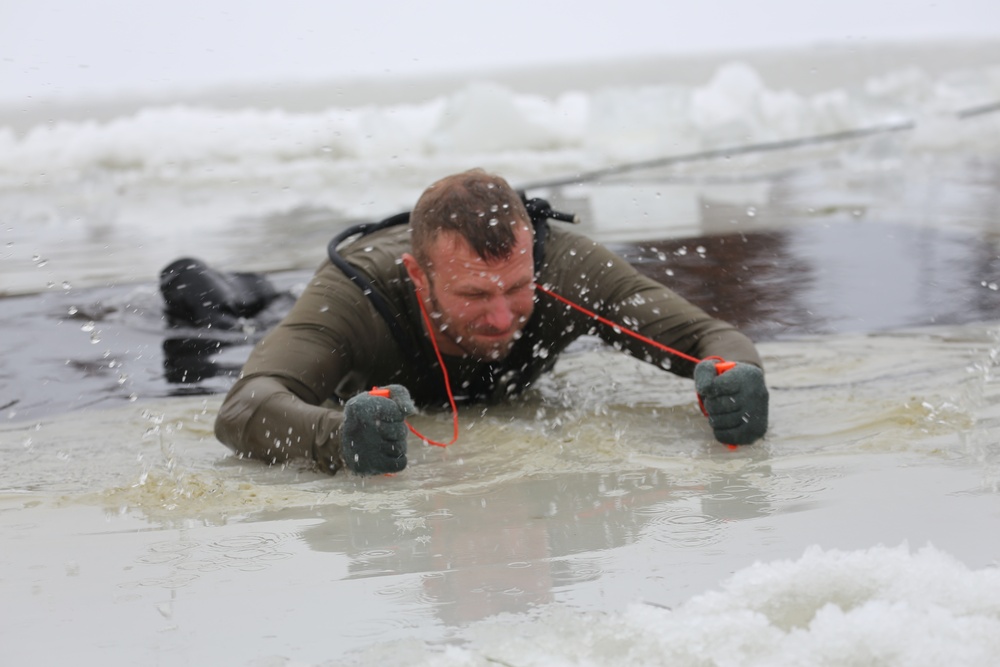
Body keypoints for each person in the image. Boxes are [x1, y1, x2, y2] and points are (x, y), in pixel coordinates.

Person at [214, 169, 768, 475]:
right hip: (283, 317)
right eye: (474, 293)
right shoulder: (358, 293)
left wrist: (736, 378)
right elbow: (244, 406)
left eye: (517, 287)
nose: (503, 317)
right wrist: (339, 438)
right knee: (211, 314)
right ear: (418, 274)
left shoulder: (569, 267)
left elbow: (709, 337)